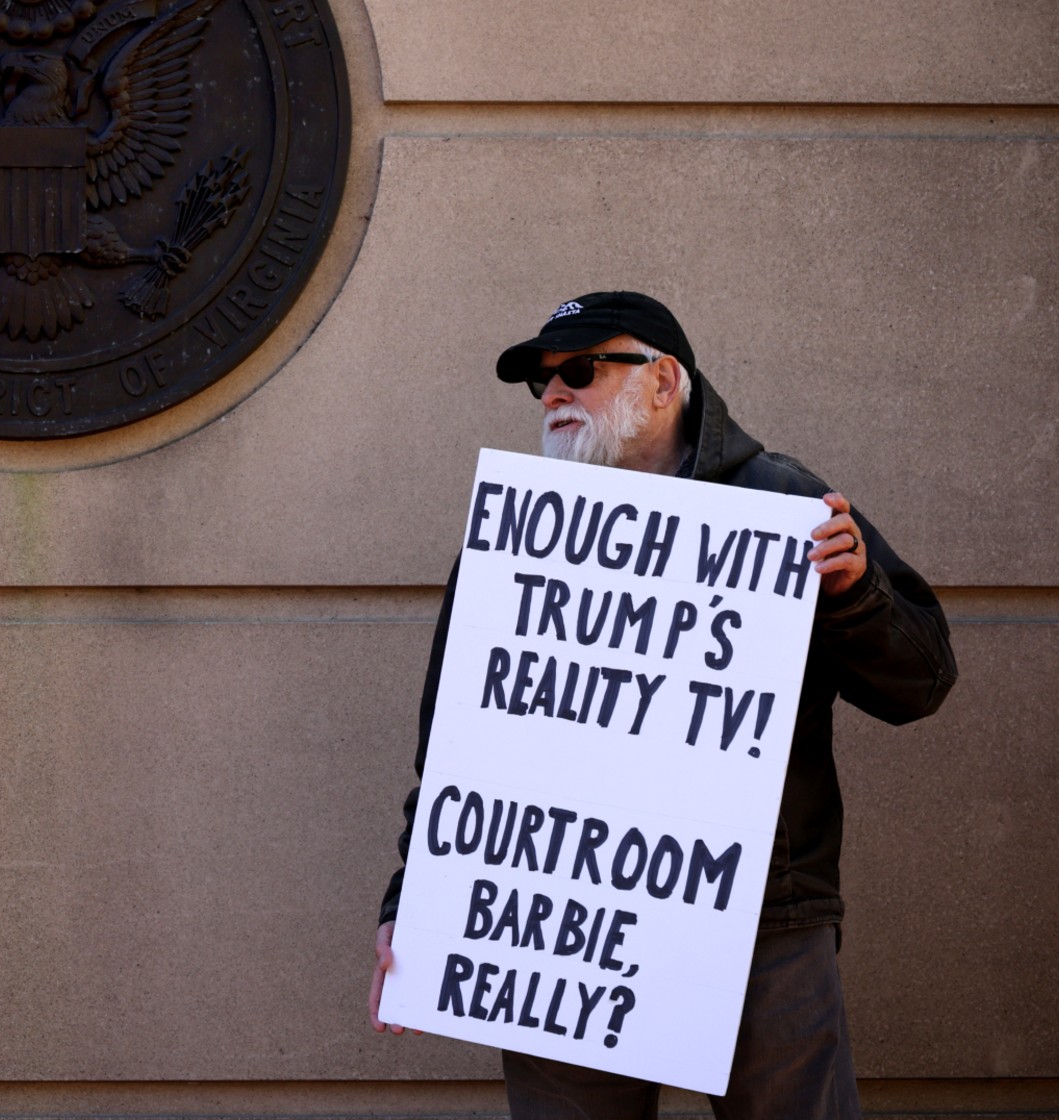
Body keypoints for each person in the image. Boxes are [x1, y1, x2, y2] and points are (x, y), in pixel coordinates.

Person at [365, 292, 958, 1119]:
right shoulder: (522, 538)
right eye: (542, 381)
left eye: (579, 371)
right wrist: (415, 897)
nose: (553, 396)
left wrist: (857, 596)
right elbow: (459, 744)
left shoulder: (784, 507)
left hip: (762, 926)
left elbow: (922, 684)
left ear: (664, 380)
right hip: (559, 922)